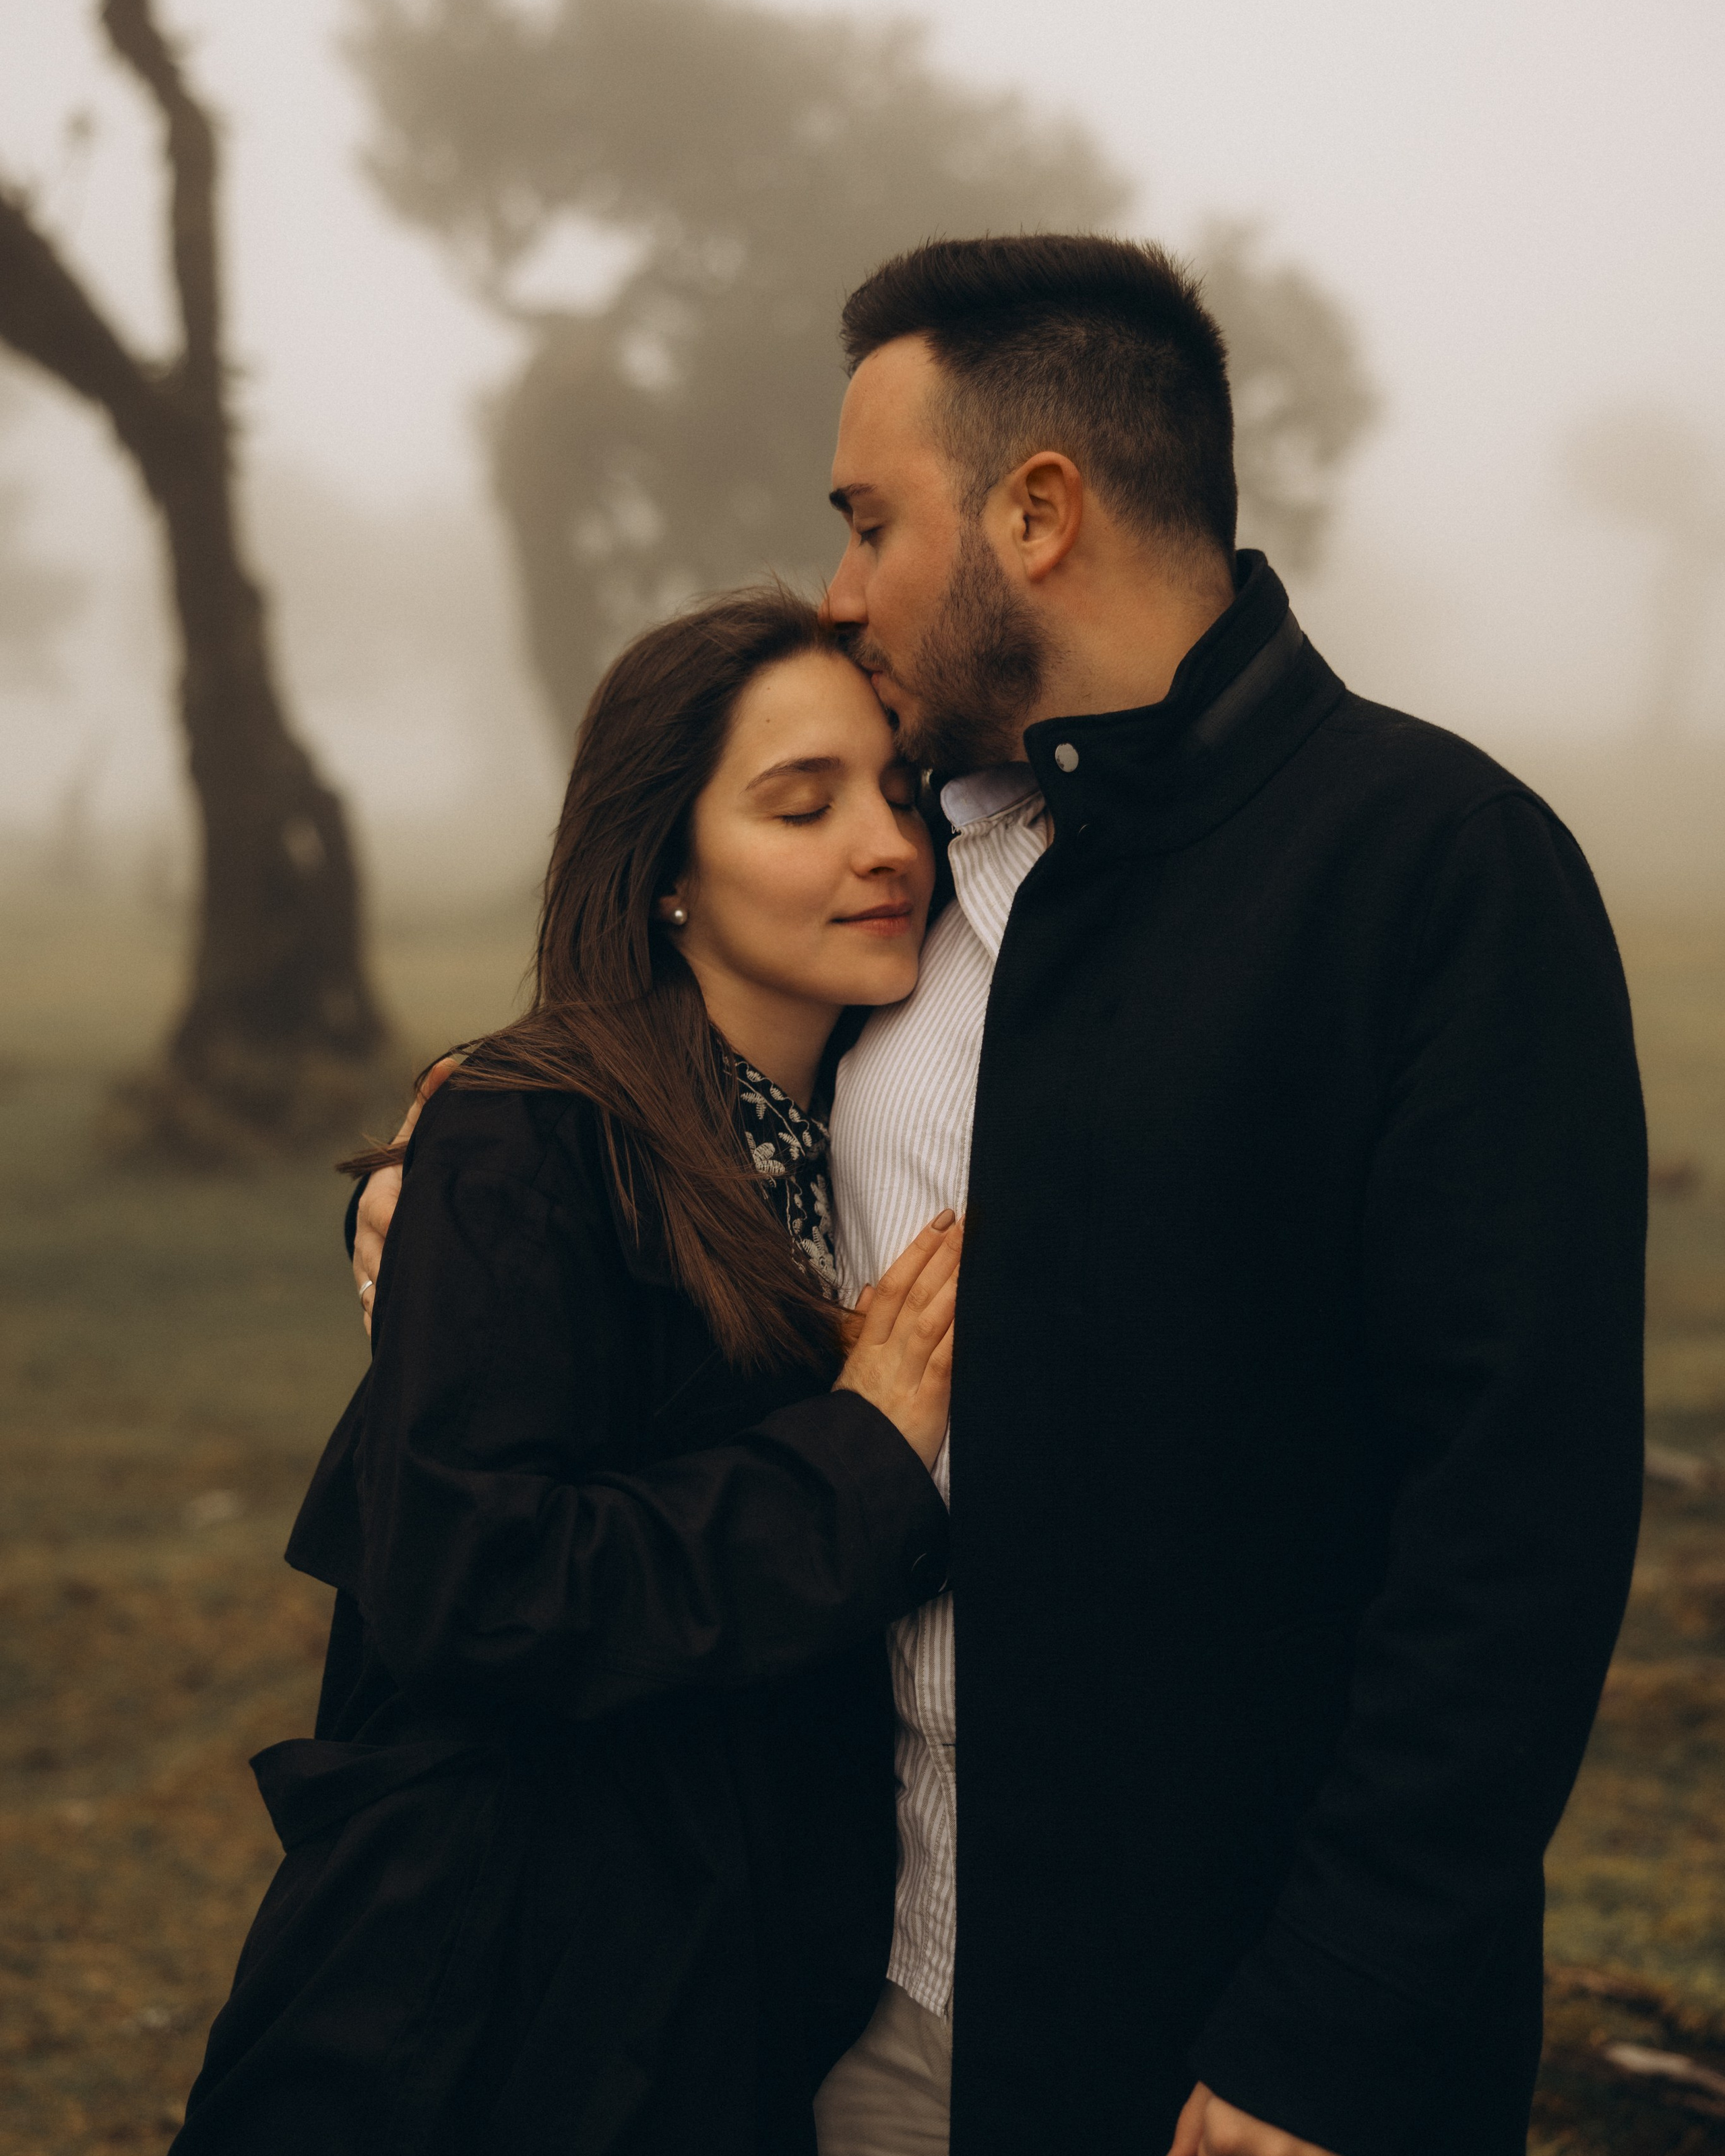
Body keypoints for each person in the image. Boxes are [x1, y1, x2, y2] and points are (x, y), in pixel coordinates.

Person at [357, 236, 1648, 2156]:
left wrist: (1336, 2023)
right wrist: (441, 1168)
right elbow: (669, 1068)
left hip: (1229, 2033)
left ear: (1038, 511)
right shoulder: (929, 867)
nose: (841, 582)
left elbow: (1513, 1529)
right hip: (852, 1988)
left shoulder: (1434, 873)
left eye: (871, 520)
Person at [170, 587, 966, 2156]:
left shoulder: (844, 1114)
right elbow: (478, 1581)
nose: (884, 845)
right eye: (799, 804)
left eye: (896, 792)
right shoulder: (530, 1133)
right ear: (664, 863)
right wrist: (855, 1452)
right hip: (504, 1997)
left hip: (736, 1983)